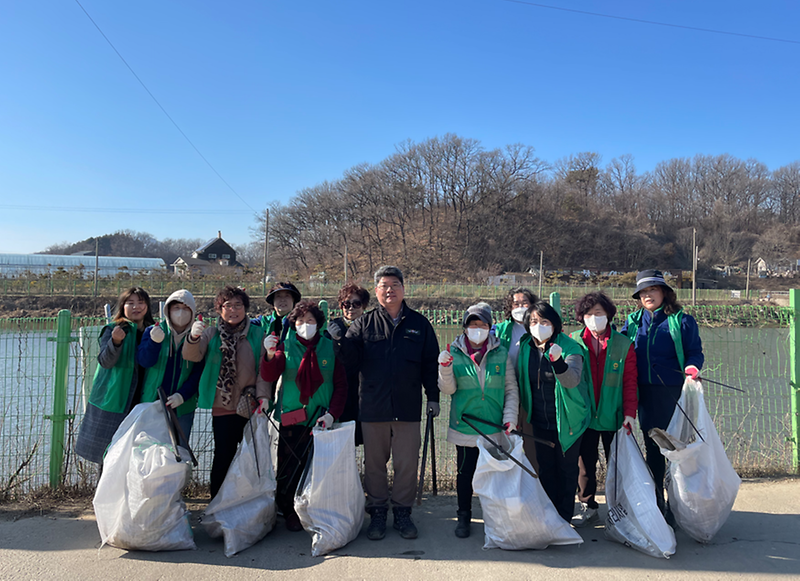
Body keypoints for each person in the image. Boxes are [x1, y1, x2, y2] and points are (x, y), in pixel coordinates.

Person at [340, 266, 440, 541]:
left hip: (408, 407)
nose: (390, 290)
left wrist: (433, 397)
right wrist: (340, 338)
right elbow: (348, 363)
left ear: (403, 289)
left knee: (407, 463)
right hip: (373, 407)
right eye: (384, 285)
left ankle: (403, 512)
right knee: (374, 464)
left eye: (395, 284)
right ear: (377, 291)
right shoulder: (363, 324)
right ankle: (378, 511)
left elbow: (431, 364)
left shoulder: (420, 325)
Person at [260, 300, 348, 531]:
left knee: (318, 467)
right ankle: (288, 509)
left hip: (321, 418)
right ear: (293, 324)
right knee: (289, 465)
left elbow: (341, 385)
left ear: (319, 324)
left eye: (310, 321)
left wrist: (332, 414)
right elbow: (269, 374)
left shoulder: (330, 347)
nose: (305, 325)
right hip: (292, 417)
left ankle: (315, 508)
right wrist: (269, 354)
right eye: (300, 321)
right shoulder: (285, 346)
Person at [622, 269, 703, 522]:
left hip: (672, 393)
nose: (648, 295)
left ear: (664, 293)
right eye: (643, 292)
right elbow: (620, 347)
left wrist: (692, 368)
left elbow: (695, 352)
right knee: (653, 449)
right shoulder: (633, 321)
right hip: (643, 394)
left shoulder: (682, 321)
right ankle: (658, 502)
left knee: (675, 449)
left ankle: (679, 502)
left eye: (652, 290)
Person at [437, 302, 520, 538]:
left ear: (490, 327)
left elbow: (511, 390)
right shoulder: (453, 351)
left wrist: (510, 418)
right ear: (464, 327)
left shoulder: (501, 352)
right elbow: (448, 390)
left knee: (496, 475)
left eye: (482, 324)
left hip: (494, 427)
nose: (477, 329)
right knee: (465, 474)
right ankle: (464, 515)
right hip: (466, 425)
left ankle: (495, 516)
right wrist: (444, 368)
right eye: (473, 324)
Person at [182, 286, 269, 498]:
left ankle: (249, 501)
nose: (233, 310)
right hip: (222, 406)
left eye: (238, 305)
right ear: (219, 309)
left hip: (250, 405)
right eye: (227, 306)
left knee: (252, 457)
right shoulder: (211, 334)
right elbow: (191, 356)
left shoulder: (258, 334)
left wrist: (263, 397)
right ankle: (217, 504)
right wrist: (193, 337)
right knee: (223, 456)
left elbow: (263, 370)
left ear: (245, 308)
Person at [517, 300, 591, 523]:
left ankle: (564, 519)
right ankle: (549, 519)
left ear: (555, 324)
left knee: (567, 471)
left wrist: (558, 362)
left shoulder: (570, 348)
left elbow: (571, 380)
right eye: (534, 321)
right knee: (546, 469)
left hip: (567, 420)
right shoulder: (526, 348)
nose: (538, 325)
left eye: (544, 321)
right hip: (540, 419)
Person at [570, 292, 638, 527]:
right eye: (589, 314)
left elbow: (630, 382)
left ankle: (618, 507)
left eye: (599, 313)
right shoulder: (573, 341)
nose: (594, 318)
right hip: (585, 415)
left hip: (614, 415)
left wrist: (630, 412)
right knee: (584, 463)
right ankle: (588, 505)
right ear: (582, 317)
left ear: (608, 314)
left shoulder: (623, 344)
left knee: (617, 464)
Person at [76, 287, 156, 464]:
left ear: (148, 306)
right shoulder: (113, 329)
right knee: (109, 454)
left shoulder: (154, 332)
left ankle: (132, 492)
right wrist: (115, 342)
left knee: (137, 456)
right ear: (122, 306)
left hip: (144, 400)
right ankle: (105, 491)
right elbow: (105, 361)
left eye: (141, 302)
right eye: (131, 303)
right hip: (115, 398)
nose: (136, 307)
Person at [138, 289, 204, 443]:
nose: (180, 313)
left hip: (182, 407)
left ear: (192, 312)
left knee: (179, 450)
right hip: (152, 401)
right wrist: (153, 343)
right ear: (167, 310)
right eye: (176, 308)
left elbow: (198, 372)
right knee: (149, 449)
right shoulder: (153, 331)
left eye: (185, 308)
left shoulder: (197, 337)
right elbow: (144, 361)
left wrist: (183, 395)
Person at [326, 282, 371, 445]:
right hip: (340, 391)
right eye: (346, 304)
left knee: (368, 440)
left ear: (363, 306)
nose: (351, 308)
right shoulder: (333, 328)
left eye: (356, 304)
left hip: (366, 392)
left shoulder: (371, 327)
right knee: (341, 441)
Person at [493, 287, 538, 367]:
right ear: (510, 307)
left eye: (525, 303)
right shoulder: (499, 330)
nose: (520, 307)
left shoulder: (540, 328)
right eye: (516, 304)